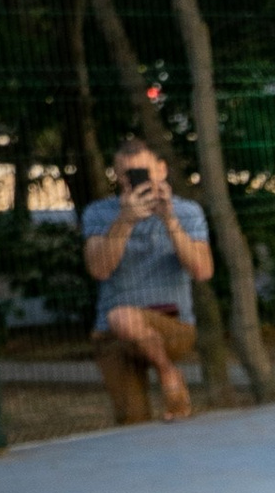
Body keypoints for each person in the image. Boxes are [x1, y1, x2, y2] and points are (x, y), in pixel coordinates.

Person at [81, 139, 213, 425]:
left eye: (144, 173)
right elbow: (100, 270)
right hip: (113, 335)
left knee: (122, 315)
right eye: (129, 175)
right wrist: (125, 222)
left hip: (171, 324)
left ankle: (167, 372)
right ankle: (169, 373)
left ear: (162, 170)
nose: (137, 180)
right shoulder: (99, 214)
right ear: (117, 177)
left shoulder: (186, 211)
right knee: (132, 423)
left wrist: (170, 221)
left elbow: (202, 271)